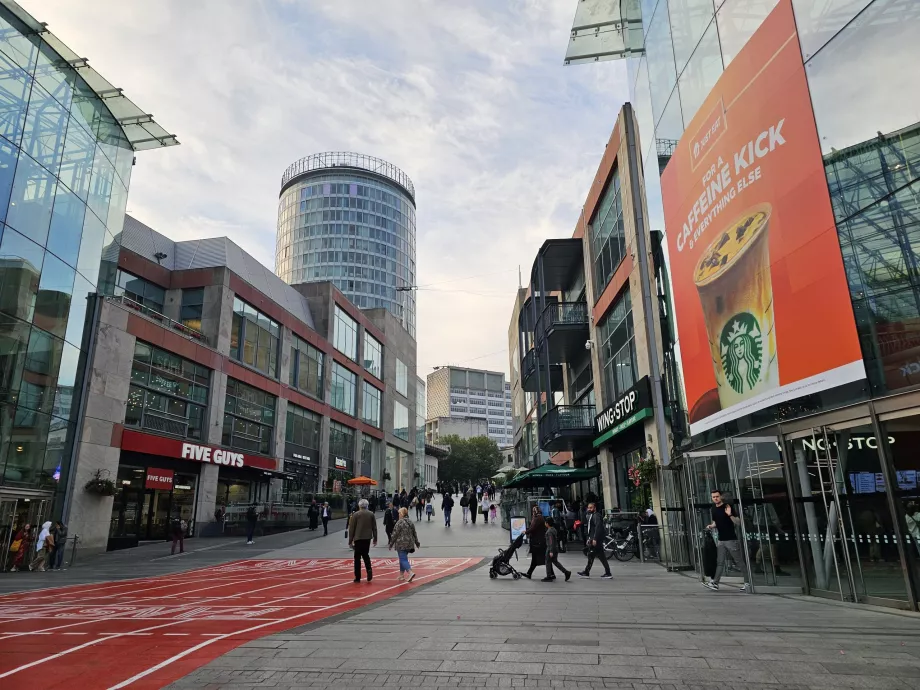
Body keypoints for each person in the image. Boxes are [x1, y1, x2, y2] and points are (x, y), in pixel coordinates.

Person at [704, 489, 749, 592]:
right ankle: (715, 583)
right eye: (713, 497)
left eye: (717, 496)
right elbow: (716, 521)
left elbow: (738, 522)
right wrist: (711, 526)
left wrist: (729, 514)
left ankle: (748, 582)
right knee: (720, 562)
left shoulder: (728, 507)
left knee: (739, 561)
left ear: (721, 497)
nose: (715, 498)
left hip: (731, 539)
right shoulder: (714, 508)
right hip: (721, 540)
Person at [578, 503, 612, 579]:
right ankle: (607, 572)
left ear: (595, 508)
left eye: (591, 508)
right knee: (597, 556)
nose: (589, 509)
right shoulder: (591, 516)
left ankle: (587, 572)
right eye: (588, 508)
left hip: (596, 539)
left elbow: (598, 527)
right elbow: (591, 528)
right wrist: (590, 538)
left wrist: (595, 539)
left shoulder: (596, 516)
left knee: (592, 555)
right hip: (594, 539)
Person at [347, 498, 377, 583]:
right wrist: (375, 538)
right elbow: (374, 527)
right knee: (366, 555)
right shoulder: (371, 514)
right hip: (367, 538)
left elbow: (352, 528)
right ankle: (369, 569)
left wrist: (350, 540)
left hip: (358, 538)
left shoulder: (356, 515)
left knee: (357, 558)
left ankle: (357, 576)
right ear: (367, 505)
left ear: (359, 505)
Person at [389, 507, 421, 582]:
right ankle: (401, 575)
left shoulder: (399, 522)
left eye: (399, 513)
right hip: (409, 544)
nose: (398, 515)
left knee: (403, 559)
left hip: (401, 543)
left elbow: (394, 534)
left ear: (402, 514)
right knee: (403, 558)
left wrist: (391, 544)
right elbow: (414, 533)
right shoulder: (410, 522)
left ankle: (410, 572)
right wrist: (417, 542)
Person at [543, 516, 571, 582]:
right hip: (555, 548)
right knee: (555, 561)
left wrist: (551, 551)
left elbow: (550, 541)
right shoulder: (554, 529)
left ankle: (549, 576)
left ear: (547, 523)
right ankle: (566, 572)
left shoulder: (549, 531)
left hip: (551, 548)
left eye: (545, 522)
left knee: (548, 562)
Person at [523, 505, 546, 579]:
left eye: (533, 511)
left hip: (537, 542)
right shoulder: (539, 518)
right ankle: (529, 573)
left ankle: (553, 574)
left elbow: (533, 528)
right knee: (536, 559)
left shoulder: (537, 518)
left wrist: (526, 532)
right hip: (538, 541)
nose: (532, 513)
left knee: (541, 559)